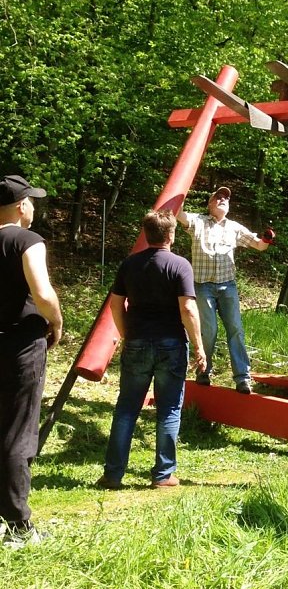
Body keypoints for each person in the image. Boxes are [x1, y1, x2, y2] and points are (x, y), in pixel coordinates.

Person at [97, 209, 207, 490]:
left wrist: (126, 335)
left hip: (137, 342)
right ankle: (162, 475)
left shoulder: (130, 264)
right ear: (170, 235)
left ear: (147, 235)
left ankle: (112, 475)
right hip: (171, 343)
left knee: (126, 409)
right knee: (169, 409)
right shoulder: (180, 265)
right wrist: (199, 347)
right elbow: (188, 308)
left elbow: (115, 305)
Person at [0, 175, 63, 547]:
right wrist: (56, 323)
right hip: (21, 346)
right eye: (32, 201)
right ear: (22, 206)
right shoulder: (27, 240)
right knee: (18, 434)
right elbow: (42, 292)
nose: (35, 207)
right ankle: (20, 528)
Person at [177, 187, 274, 393]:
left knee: (236, 329)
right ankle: (204, 371)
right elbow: (178, 214)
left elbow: (259, 245)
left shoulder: (235, 228)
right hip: (203, 287)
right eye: (218, 197)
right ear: (209, 204)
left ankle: (242, 378)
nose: (222, 199)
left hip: (227, 286)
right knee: (209, 331)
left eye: (226, 198)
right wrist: (182, 189)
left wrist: (266, 238)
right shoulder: (198, 222)